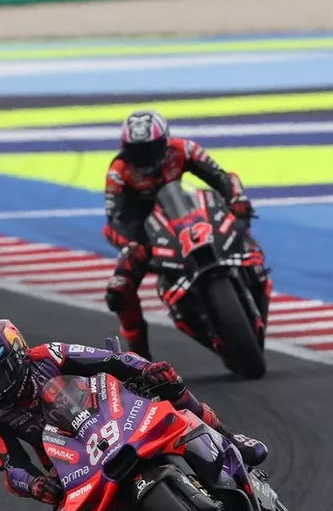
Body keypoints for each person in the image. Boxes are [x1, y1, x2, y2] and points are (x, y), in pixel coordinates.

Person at [0, 318, 268, 511]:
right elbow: (11, 467)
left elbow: (111, 360)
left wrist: (145, 371)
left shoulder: (49, 355)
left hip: (111, 413)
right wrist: (35, 485)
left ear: (18, 356)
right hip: (68, 461)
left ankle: (229, 438)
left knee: (168, 385)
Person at [102, 109, 270, 360]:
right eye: (137, 151)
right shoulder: (118, 172)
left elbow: (222, 178)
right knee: (119, 289)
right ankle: (139, 358)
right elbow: (114, 222)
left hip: (187, 215)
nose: (144, 157)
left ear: (165, 142)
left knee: (239, 223)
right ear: (125, 149)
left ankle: (252, 274)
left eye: (150, 149)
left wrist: (237, 198)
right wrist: (131, 244)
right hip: (145, 233)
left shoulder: (184, 150)